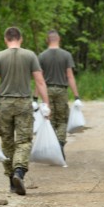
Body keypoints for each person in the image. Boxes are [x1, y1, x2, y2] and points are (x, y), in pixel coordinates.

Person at [0, 26, 50, 196]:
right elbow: (40, 82)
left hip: (4, 104)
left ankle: (11, 179)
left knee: (7, 141)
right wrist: (45, 104)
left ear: (6, 39)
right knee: (24, 141)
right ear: (21, 39)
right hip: (24, 104)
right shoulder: (30, 55)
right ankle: (19, 172)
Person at [38, 30, 79, 159]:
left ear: (47, 40)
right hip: (62, 90)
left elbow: (40, 78)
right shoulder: (66, 55)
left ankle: (52, 145)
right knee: (62, 120)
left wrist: (35, 96)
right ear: (59, 39)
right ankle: (60, 143)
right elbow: (70, 76)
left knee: (49, 119)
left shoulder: (42, 56)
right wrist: (76, 96)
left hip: (47, 90)